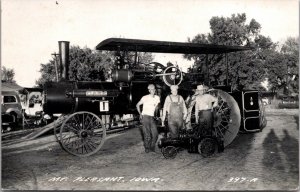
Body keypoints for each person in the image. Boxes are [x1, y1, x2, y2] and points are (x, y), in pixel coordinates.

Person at [136, 84, 160, 153]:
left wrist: (158, 115)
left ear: (155, 90)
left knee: (155, 134)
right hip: (145, 117)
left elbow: (157, 107)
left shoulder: (157, 98)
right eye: (151, 89)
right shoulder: (145, 97)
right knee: (147, 134)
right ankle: (147, 148)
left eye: (154, 89)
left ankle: (152, 147)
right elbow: (137, 105)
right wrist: (140, 114)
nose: (153, 90)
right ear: (149, 90)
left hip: (152, 117)